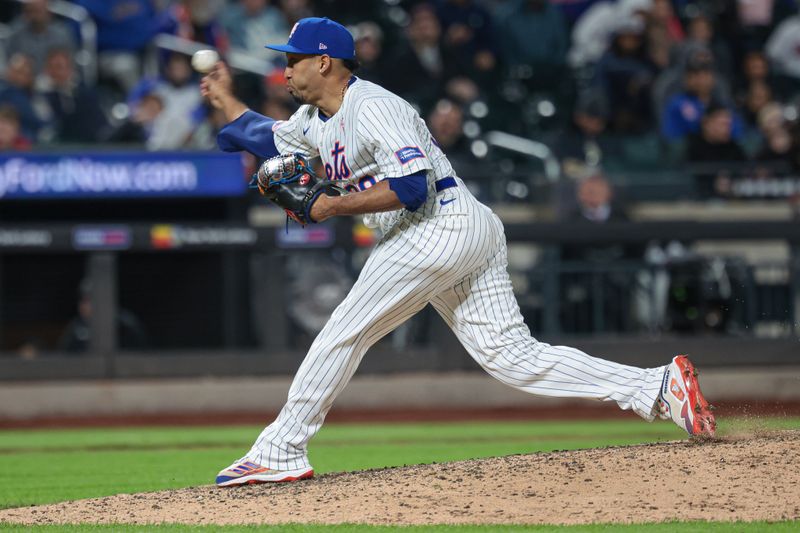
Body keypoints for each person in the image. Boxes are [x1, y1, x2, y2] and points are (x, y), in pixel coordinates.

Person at [200, 17, 715, 487]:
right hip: (461, 229)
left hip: (434, 224)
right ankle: (657, 386)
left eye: (292, 59)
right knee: (511, 358)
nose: (284, 69)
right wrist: (224, 97)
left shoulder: (375, 106)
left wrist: (333, 206)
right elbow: (265, 136)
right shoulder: (314, 119)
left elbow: (412, 186)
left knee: (343, 332)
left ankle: (282, 448)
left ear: (324, 61)